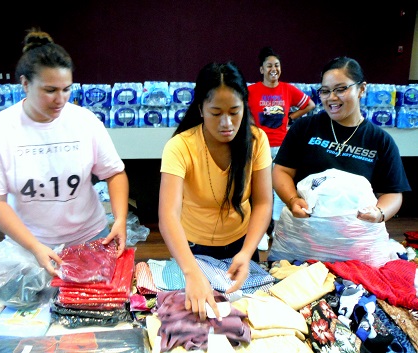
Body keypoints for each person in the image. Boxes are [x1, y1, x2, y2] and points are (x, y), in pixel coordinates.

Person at [0, 28, 129, 276]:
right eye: (50, 90)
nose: (61, 99)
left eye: (66, 89)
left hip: (90, 239)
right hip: (28, 245)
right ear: (25, 84)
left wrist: (120, 219)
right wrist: (34, 246)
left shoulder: (85, 121)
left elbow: (114, 174)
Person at [158, 61, 272, 321]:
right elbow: (168, 216)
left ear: (244, 106)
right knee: (198, 314)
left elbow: (264, 203)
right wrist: (190, 272)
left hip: (242, 245)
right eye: (216, 112)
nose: (226, 123)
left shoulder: (256, 141)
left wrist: (245, 252)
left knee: (244, 314)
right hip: (193, 249)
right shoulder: (180, 147)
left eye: (234, 111)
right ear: (200, 109)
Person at [271, 56, 411, 260]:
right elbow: (282, 170)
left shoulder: (380, 141)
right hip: (303, 242)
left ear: (362, 89)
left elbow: (393, 193)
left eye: (341, 89)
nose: (331, 98)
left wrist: (379, 213)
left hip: (354, 246)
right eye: (325, 91)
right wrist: (292, 200)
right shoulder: (305, 128)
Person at [248, 46, 315, 250]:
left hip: (283, 147)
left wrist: (290, 118)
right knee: (259, 190)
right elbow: (240, 109)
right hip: (259, 148)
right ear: (261, 69)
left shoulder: (288, 89)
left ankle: (277, 229)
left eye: (276, 65)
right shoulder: (251, 90)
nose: (273, 69)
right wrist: (251, 126)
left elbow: (310, 105)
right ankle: (259, 232)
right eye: (269, 66)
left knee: (280, 190)